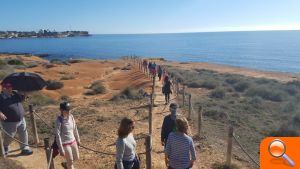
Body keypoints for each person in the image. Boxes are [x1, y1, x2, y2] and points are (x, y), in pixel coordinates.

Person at [0, 82, 33, 156]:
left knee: (23, 133)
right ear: (3, 88)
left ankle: (25, 149)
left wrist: (25, 94)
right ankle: (4, 147)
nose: (10, 89)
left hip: (21, 119)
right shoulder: (1, 97)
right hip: (9, 121)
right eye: (8, 87)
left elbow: (23, 99)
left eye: (11, 87)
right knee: (10, 136)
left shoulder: (14, 94)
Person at [55, 102, 80, 169]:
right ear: (62, 110)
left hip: (73, 141)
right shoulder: (59, 120)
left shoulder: (71, 117)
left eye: (69, 110)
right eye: (67, 110)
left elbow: (75, 129)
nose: (69, 112)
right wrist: (61, 149)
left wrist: (78, 139)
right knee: (71, 162)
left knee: (77, 157)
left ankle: (66, 164)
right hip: (65, 143)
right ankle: (69, 164)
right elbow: (57, 135)